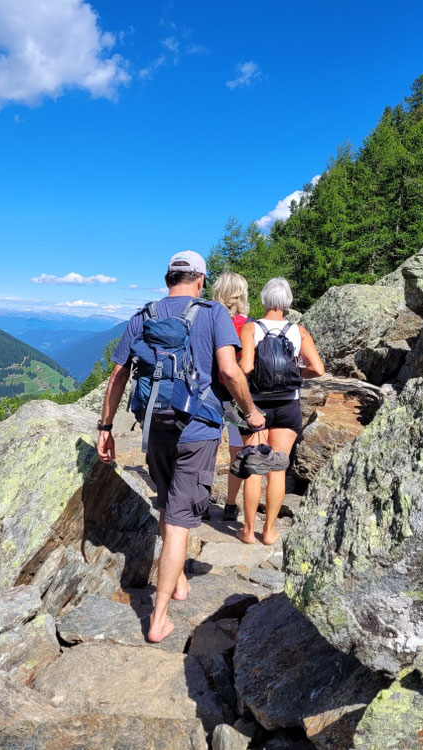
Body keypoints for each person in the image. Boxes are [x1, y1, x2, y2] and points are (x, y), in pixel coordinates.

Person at [97, 251, 265, 644]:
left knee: (168, 503)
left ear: (168, 278)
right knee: (179, 517)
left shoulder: (144, 315)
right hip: (198, 426)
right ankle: (158, 618)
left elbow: (118, 373)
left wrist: (105, 427)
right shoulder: (212, 313)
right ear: (201, 280)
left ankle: (180, 582)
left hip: (155, 425)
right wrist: (251, 412)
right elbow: (228, 370)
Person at [237, 277, 324, 546]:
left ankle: (248, 532)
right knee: (277, 468)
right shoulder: (299, 331)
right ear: (287, 303)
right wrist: (293, 372)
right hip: (288, 405)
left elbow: (247, 367)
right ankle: (270, 532)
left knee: (253, 466)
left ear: (264, 300)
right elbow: (318, 370)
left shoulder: (251, 328)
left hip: (256, 407)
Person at [211, 271, 251, 521]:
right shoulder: (249, 324)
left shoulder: (208, 319)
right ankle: (229, 504)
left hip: (210, 394)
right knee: (238, 451)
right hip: (237, 396)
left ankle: (201, 502)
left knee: (206, 449)